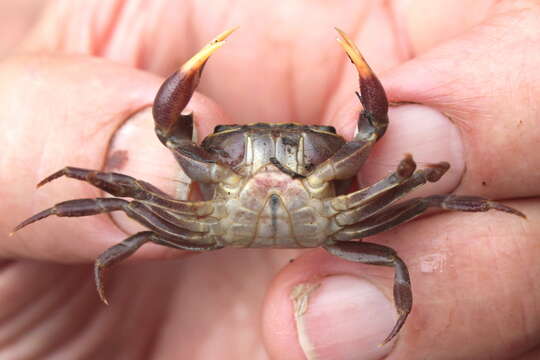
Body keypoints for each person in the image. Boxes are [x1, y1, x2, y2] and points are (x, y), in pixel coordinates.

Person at [1, 1, 539, 359]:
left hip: (296, 225)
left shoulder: (357, 178)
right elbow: (127, 189)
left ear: (339, 145)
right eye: (242, 146)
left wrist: (427, 174)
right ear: (209, 145)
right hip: (120, 304)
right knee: (129, 199)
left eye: (297, 147)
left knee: (417, 210)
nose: (270, 160)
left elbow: (415, 181)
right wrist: (66, 195)